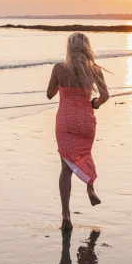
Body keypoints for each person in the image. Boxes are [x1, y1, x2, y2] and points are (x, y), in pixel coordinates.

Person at [46, 32, 110, 228]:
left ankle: (66, 215)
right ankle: (90, 189)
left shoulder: (59, 68)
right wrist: (94, 104)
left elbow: (49, 94)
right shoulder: (94, 70)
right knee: (85, 153)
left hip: (65, 121)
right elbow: (105, 96)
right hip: (85, 120)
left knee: (66, 169)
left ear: (69, 48)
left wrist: (60, 86)